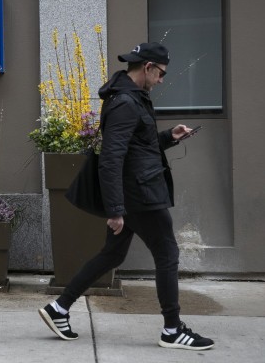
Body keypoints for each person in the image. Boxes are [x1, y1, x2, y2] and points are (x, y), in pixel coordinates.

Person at [38, 42, 214, 351]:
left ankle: (60, 308)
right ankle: (172, 329)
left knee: (113, 254)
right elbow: (111, 158)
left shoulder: (132, 98)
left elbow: (137, 148)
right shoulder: (125, 103)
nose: (161, 80)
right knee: (168, 255)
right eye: (160, 74)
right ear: (147, 67)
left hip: (135, 190)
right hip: (140, 195)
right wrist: (116, 209)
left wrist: (169, 137)